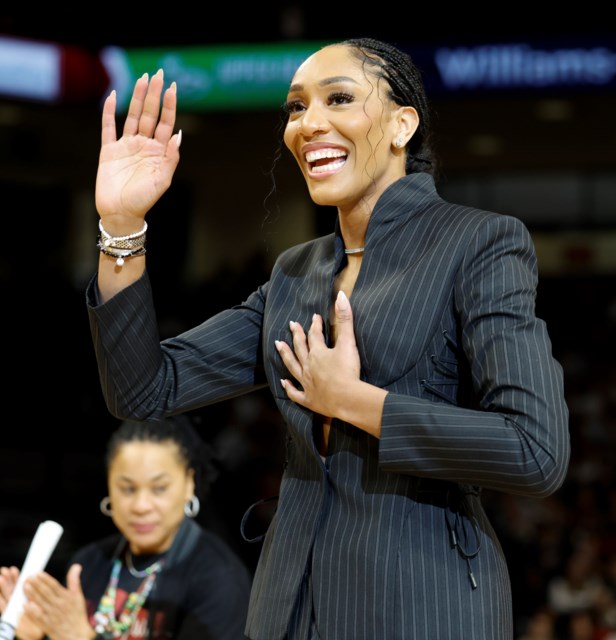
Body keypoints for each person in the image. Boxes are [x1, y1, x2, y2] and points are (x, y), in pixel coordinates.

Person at [87, 37, 570, 640]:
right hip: (287, 607)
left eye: (338, 99)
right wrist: (123, 226)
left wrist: (354, 402)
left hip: (423, 604)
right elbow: (143, 391)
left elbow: (536, 450)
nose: (308, 124)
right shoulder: (294, 272)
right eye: (294, 108)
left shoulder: (478, 243)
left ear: (402, 125)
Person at [0, 418, 252, 640]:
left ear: (189, 484)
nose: (140, 505)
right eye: (127, 488)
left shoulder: (219, 579)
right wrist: (37, 634)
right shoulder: (90, 563)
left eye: (159, 488)